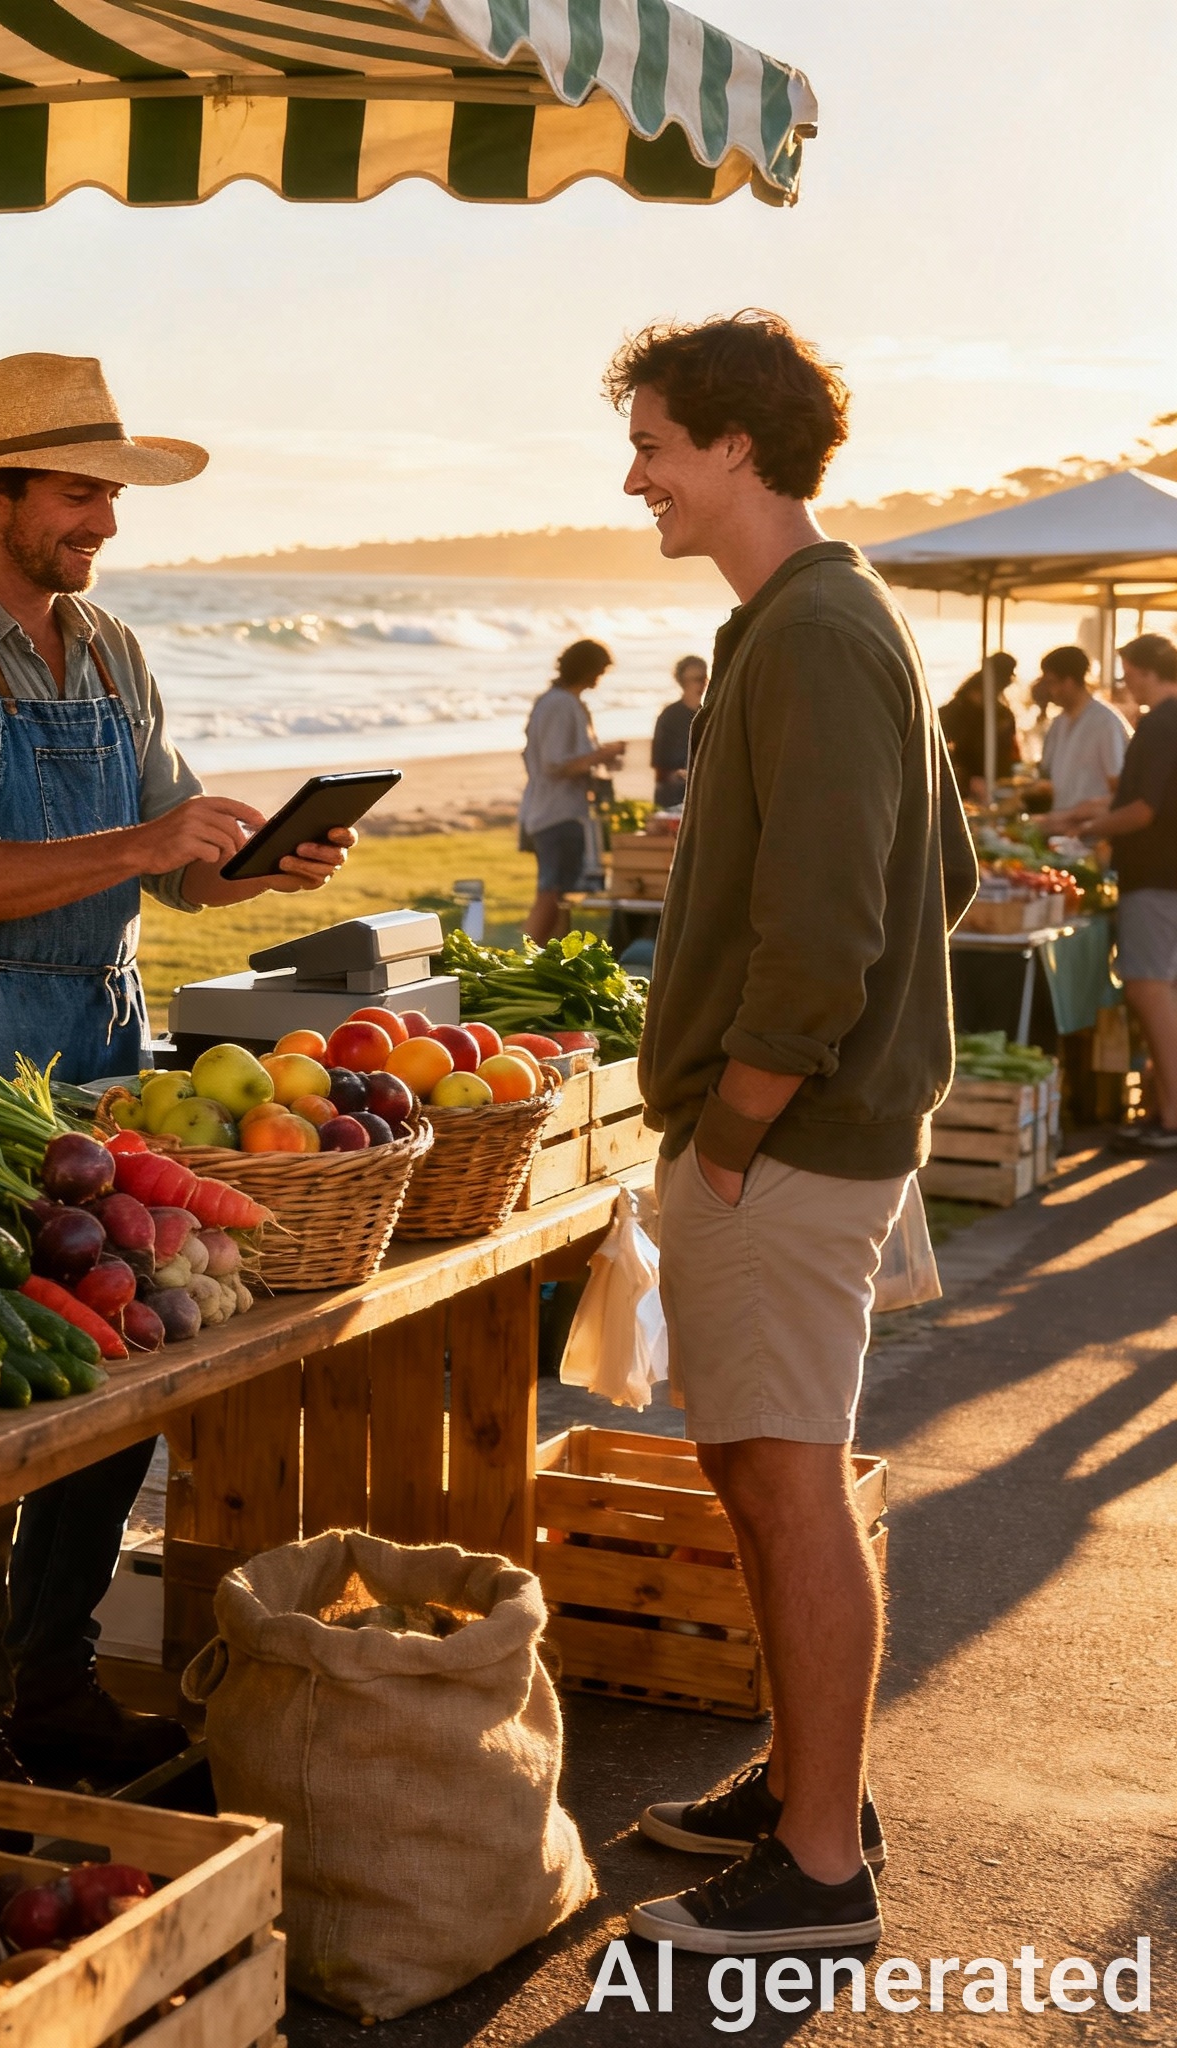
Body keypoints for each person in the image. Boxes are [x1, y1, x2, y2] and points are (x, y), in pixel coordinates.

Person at [0, 354, 358, 1786]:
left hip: (102, 1039)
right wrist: (141, 847)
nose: (106, 521)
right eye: (79, 492)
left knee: (117, 1360)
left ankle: (52, 1674)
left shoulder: (109, 645)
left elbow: (174, 862)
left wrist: (255, 866)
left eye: (112, 493)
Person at [608, 311, 977, 1955]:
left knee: (783, 1483)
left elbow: (830, 927)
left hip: (788, 1138)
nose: (638, 480)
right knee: (766, 1476)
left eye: (657, 446)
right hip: (816, 1129)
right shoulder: (824, 613)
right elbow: (947, 872)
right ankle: (798, 1786)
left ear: (736, 448)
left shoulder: (812, 631)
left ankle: (816, 1868)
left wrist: (743, 1115)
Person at [1047, 633, 1177, 1153]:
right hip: (1165, 873)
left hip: (1154, 873)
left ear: (1146, 671)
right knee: (1161, 988)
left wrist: (1088, 828)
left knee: (1147, 986)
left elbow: (1144, 808)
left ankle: (1170, 1117)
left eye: (1126, 671)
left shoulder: (1160, 725)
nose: (1122, 681)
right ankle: (1159, 1105)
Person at [519, 638, 624, 941]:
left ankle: (548, 957)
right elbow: (555, 763)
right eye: (599, 670)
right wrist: (601, 755)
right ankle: (527, 957)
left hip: (560, 811)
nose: (599, 678)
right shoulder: (560, 704)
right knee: (551, 894)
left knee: (562, 896)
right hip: (556, 813)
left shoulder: (562, 702)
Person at [1031, 644, 1129, 812]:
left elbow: (1118, 784)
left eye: (1052, 682)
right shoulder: (1059, 723)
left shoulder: (1104, 722)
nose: (1050, 690)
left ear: (1068, 682)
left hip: (1094, 830)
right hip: (1062, 826)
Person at [938, 653, 1020, 800]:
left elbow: (1011, 754)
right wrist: (967, 779)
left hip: (998, 791)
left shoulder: (1003, 715)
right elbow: (937, 750)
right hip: (961, 792)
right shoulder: (956, 711)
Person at [651, 654, 708, 806]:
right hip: (674, 799)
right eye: (697, 679)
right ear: (683, 682)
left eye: (704, 678)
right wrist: (682, 776)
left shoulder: (709, 715)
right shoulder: (669, 716)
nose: (703, 684)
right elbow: (660, 769)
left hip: (704, 796)